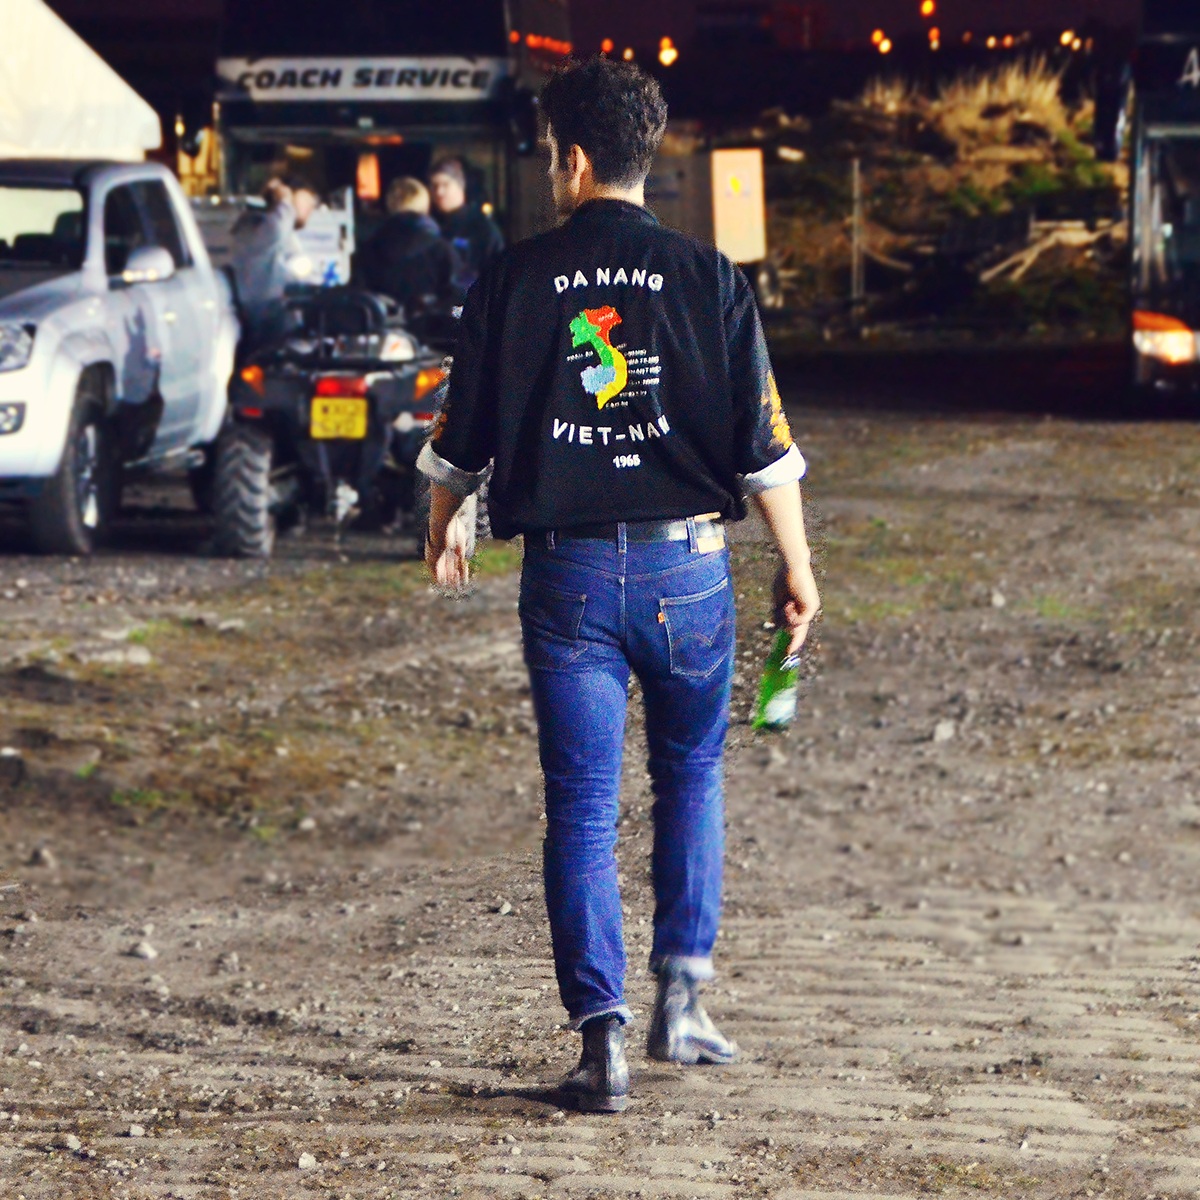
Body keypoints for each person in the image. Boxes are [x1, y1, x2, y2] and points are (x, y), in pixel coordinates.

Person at [416, 58, 820, 1114]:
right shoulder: (710, 278)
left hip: (571, 579)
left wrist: (443, 522)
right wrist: (799, 565)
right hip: (690, 570)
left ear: (577, 158)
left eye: (554, 154)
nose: (553, 170)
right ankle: (683, 1002)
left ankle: (601, 1048)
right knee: (691, 778)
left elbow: (463, 437)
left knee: (583, 812)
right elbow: (765, 451)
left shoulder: (510, 278)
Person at [230, 174, 319, 344]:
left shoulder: (283, 236)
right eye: (306, 202)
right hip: (267, 322)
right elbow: (277, 230)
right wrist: (284, 201)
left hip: (280, 318)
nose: (310, 209)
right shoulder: (259, 229)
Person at [359, 177, 463, 313]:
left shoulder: (368, 248)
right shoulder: (442, 250)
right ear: (425, 205)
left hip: (384, 329)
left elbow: (359, 298)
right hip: (432, 330)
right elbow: (459, 300)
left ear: (390, 204)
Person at [429, 157, 504, 289]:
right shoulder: (434, 226)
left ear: (460, 185)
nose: (439, 192)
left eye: (445, 184)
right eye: (434, 186)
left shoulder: (482, 228)